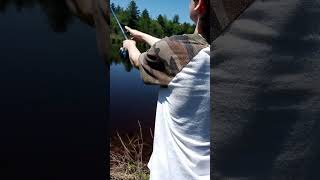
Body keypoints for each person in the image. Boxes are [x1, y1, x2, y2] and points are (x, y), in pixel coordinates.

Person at [122, 0, 210, 179]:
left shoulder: (175, 51)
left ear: (199, 4)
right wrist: (143, 35)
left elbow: (138, 60)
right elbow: (179, 53)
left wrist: (130, 46)